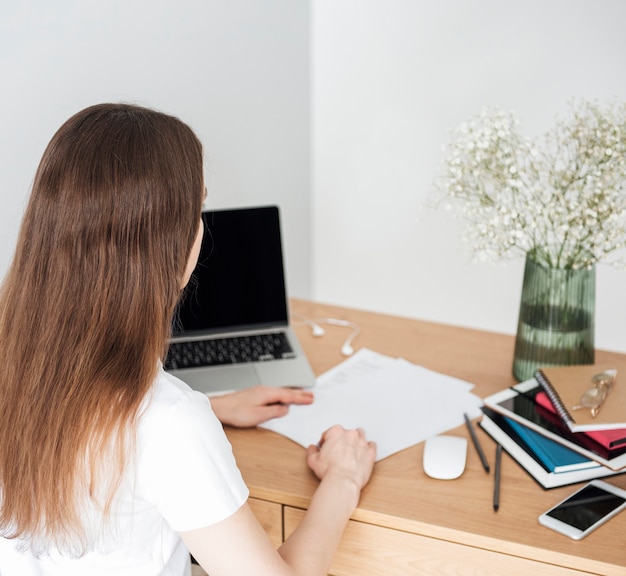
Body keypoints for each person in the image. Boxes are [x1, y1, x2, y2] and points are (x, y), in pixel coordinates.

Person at [0, 103, 376, 576]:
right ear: (173, 250)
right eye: (198, 210)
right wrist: (343, 478)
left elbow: (98, 429)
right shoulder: (168, 424)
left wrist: (216, 406)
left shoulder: (18, 360)